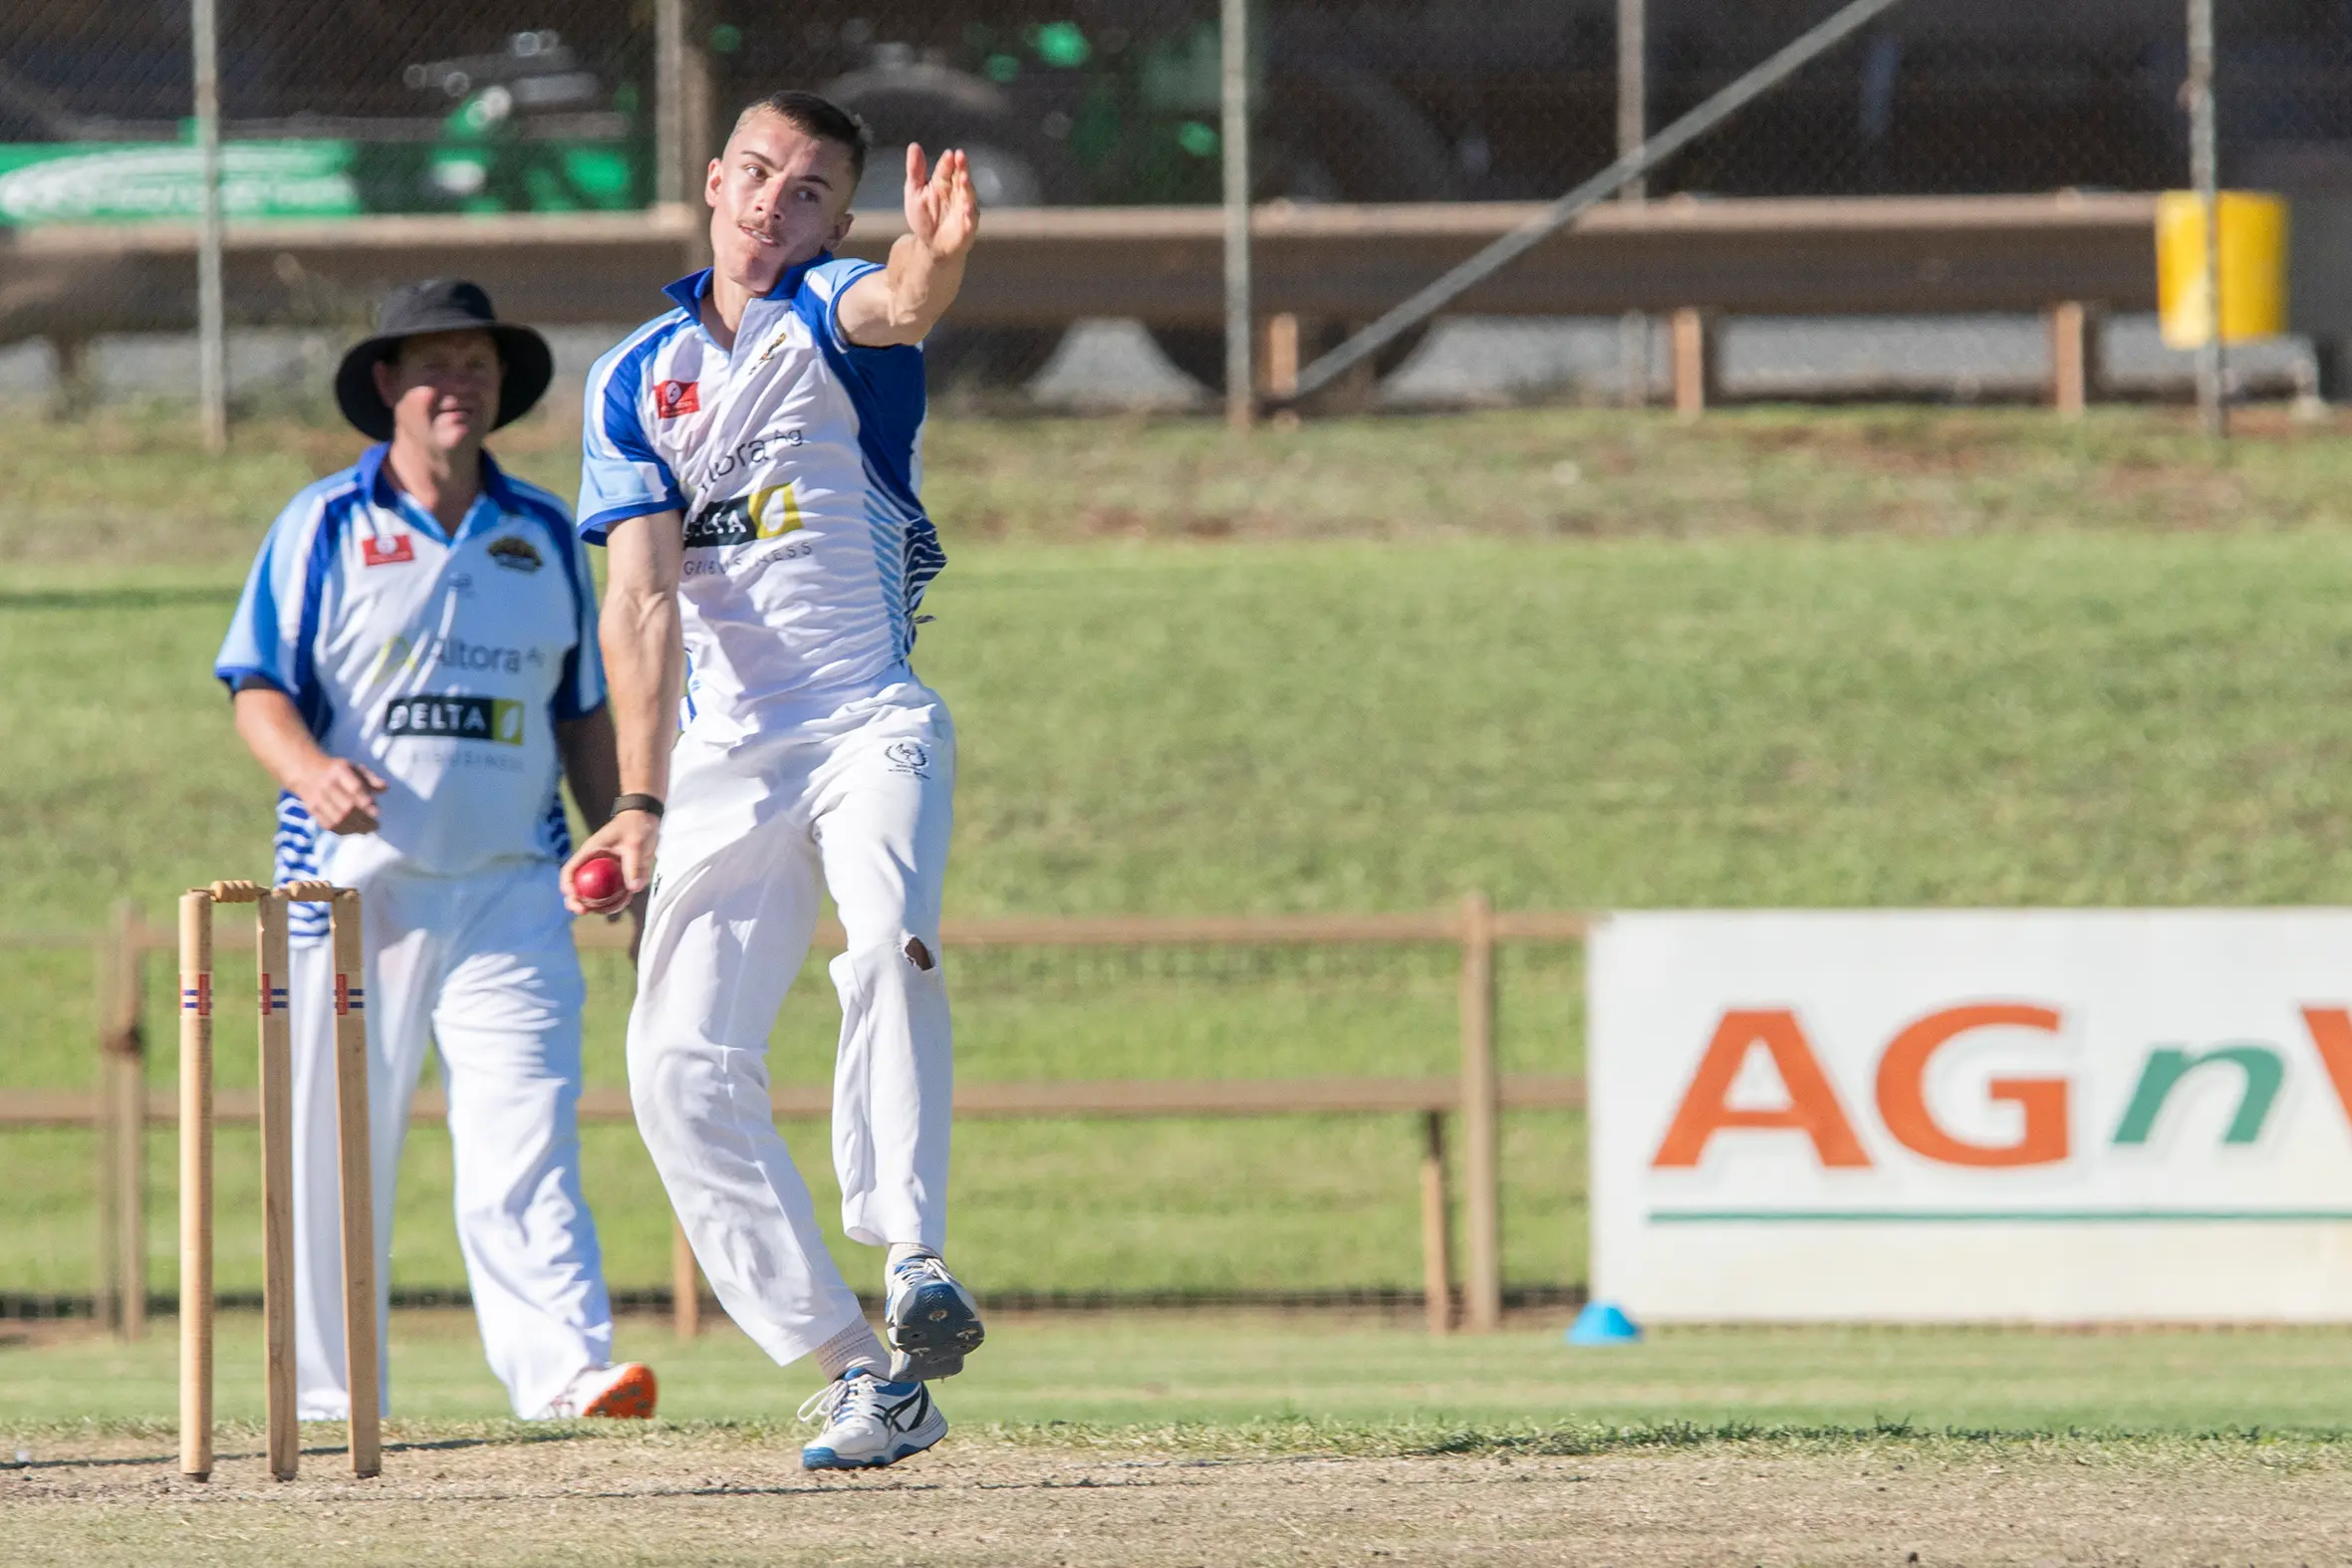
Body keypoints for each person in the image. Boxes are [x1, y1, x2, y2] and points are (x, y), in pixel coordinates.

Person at [563, 89, 980, 1471]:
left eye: (805, 191)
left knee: (892, 940)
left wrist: (937, 252)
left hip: (870, 721)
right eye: (754, 175)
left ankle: (913, 1254)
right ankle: (867, 1375)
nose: (769, 206)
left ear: (835, 219)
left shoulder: (836, 307)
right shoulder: (635, 376)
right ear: (709, 180)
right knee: (675, 1066)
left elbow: (901, 307)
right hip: (726, 754)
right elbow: (638, 603)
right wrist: (635, 798)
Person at [214, 279, 655, 1424]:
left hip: (511, 886)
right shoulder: (321, 523)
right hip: (350, 893)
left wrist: (625, 835)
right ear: (385, 387)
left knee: (527, 1130)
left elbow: (585, 713)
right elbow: (257, 688)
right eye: (434, 365)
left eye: (478, 366)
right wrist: (313, 771)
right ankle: (321, 1388)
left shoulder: (546, 531)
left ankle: (566, 1371)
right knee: (331, 1142)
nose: (458, 384)